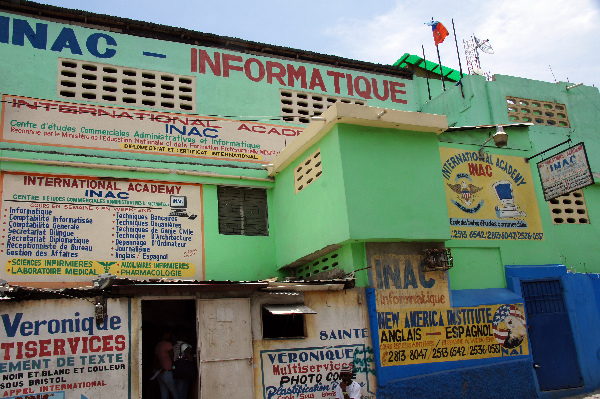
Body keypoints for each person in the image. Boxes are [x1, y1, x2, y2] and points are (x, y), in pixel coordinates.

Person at [154, 330, 180, 399]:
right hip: (168, 372)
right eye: (169, 334)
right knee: (176, 395)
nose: (170, 336)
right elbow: (173, 358)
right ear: (165, 334)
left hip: (160, 373)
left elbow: (155, 361)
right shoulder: (168, 344)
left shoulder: (158, 345)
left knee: (164, 395)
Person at [173, 332, 196, 399]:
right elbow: (190, 358)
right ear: (184, 337)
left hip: (176, 369)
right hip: (183, 370)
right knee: (182, 391)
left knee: (177, 391)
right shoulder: (184, 345)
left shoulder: (174, 346)